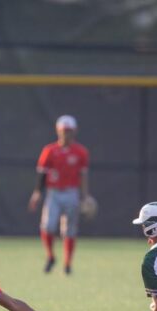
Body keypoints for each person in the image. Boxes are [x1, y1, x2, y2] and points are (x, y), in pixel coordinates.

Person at [28, 114, 93, 275]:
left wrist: (84, 196)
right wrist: (37, 193)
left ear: (74, 131)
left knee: (69, 230)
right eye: (64, 130)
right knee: (48, 226)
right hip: (54, 193)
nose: (66, 134)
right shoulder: (49, 150)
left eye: (69, 131)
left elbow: (83, 175)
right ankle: (51, 256)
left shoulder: (81, 152)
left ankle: (68, 263)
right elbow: (42, 174)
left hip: (71, 192)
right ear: (58, 131)